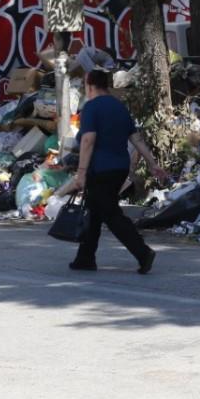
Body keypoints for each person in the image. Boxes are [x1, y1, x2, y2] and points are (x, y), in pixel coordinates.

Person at [67, 69, 168, 274]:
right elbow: (136, 138)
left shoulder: (91, 107)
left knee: (111, 214)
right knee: (95, 211)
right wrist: (152, 163)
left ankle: (143, 253)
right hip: (119, 168)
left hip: (100, 169)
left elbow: (88, 140)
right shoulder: (119, 107)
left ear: (90, 85)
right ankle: (85, 258)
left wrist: (81, 172)